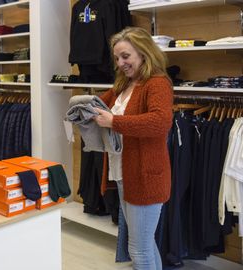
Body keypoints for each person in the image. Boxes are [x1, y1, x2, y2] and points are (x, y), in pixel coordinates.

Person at [93, 27, 173, 269]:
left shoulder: (157, 83)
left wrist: (113, 121)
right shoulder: (124, 84)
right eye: (117, 58)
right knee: (145, 244)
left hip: (145, 176)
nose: (120, 63)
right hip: (124, 172)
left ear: (143, 52)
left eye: (126, 56)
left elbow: (160, 122)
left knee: (138, 248)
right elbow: (99, 104)